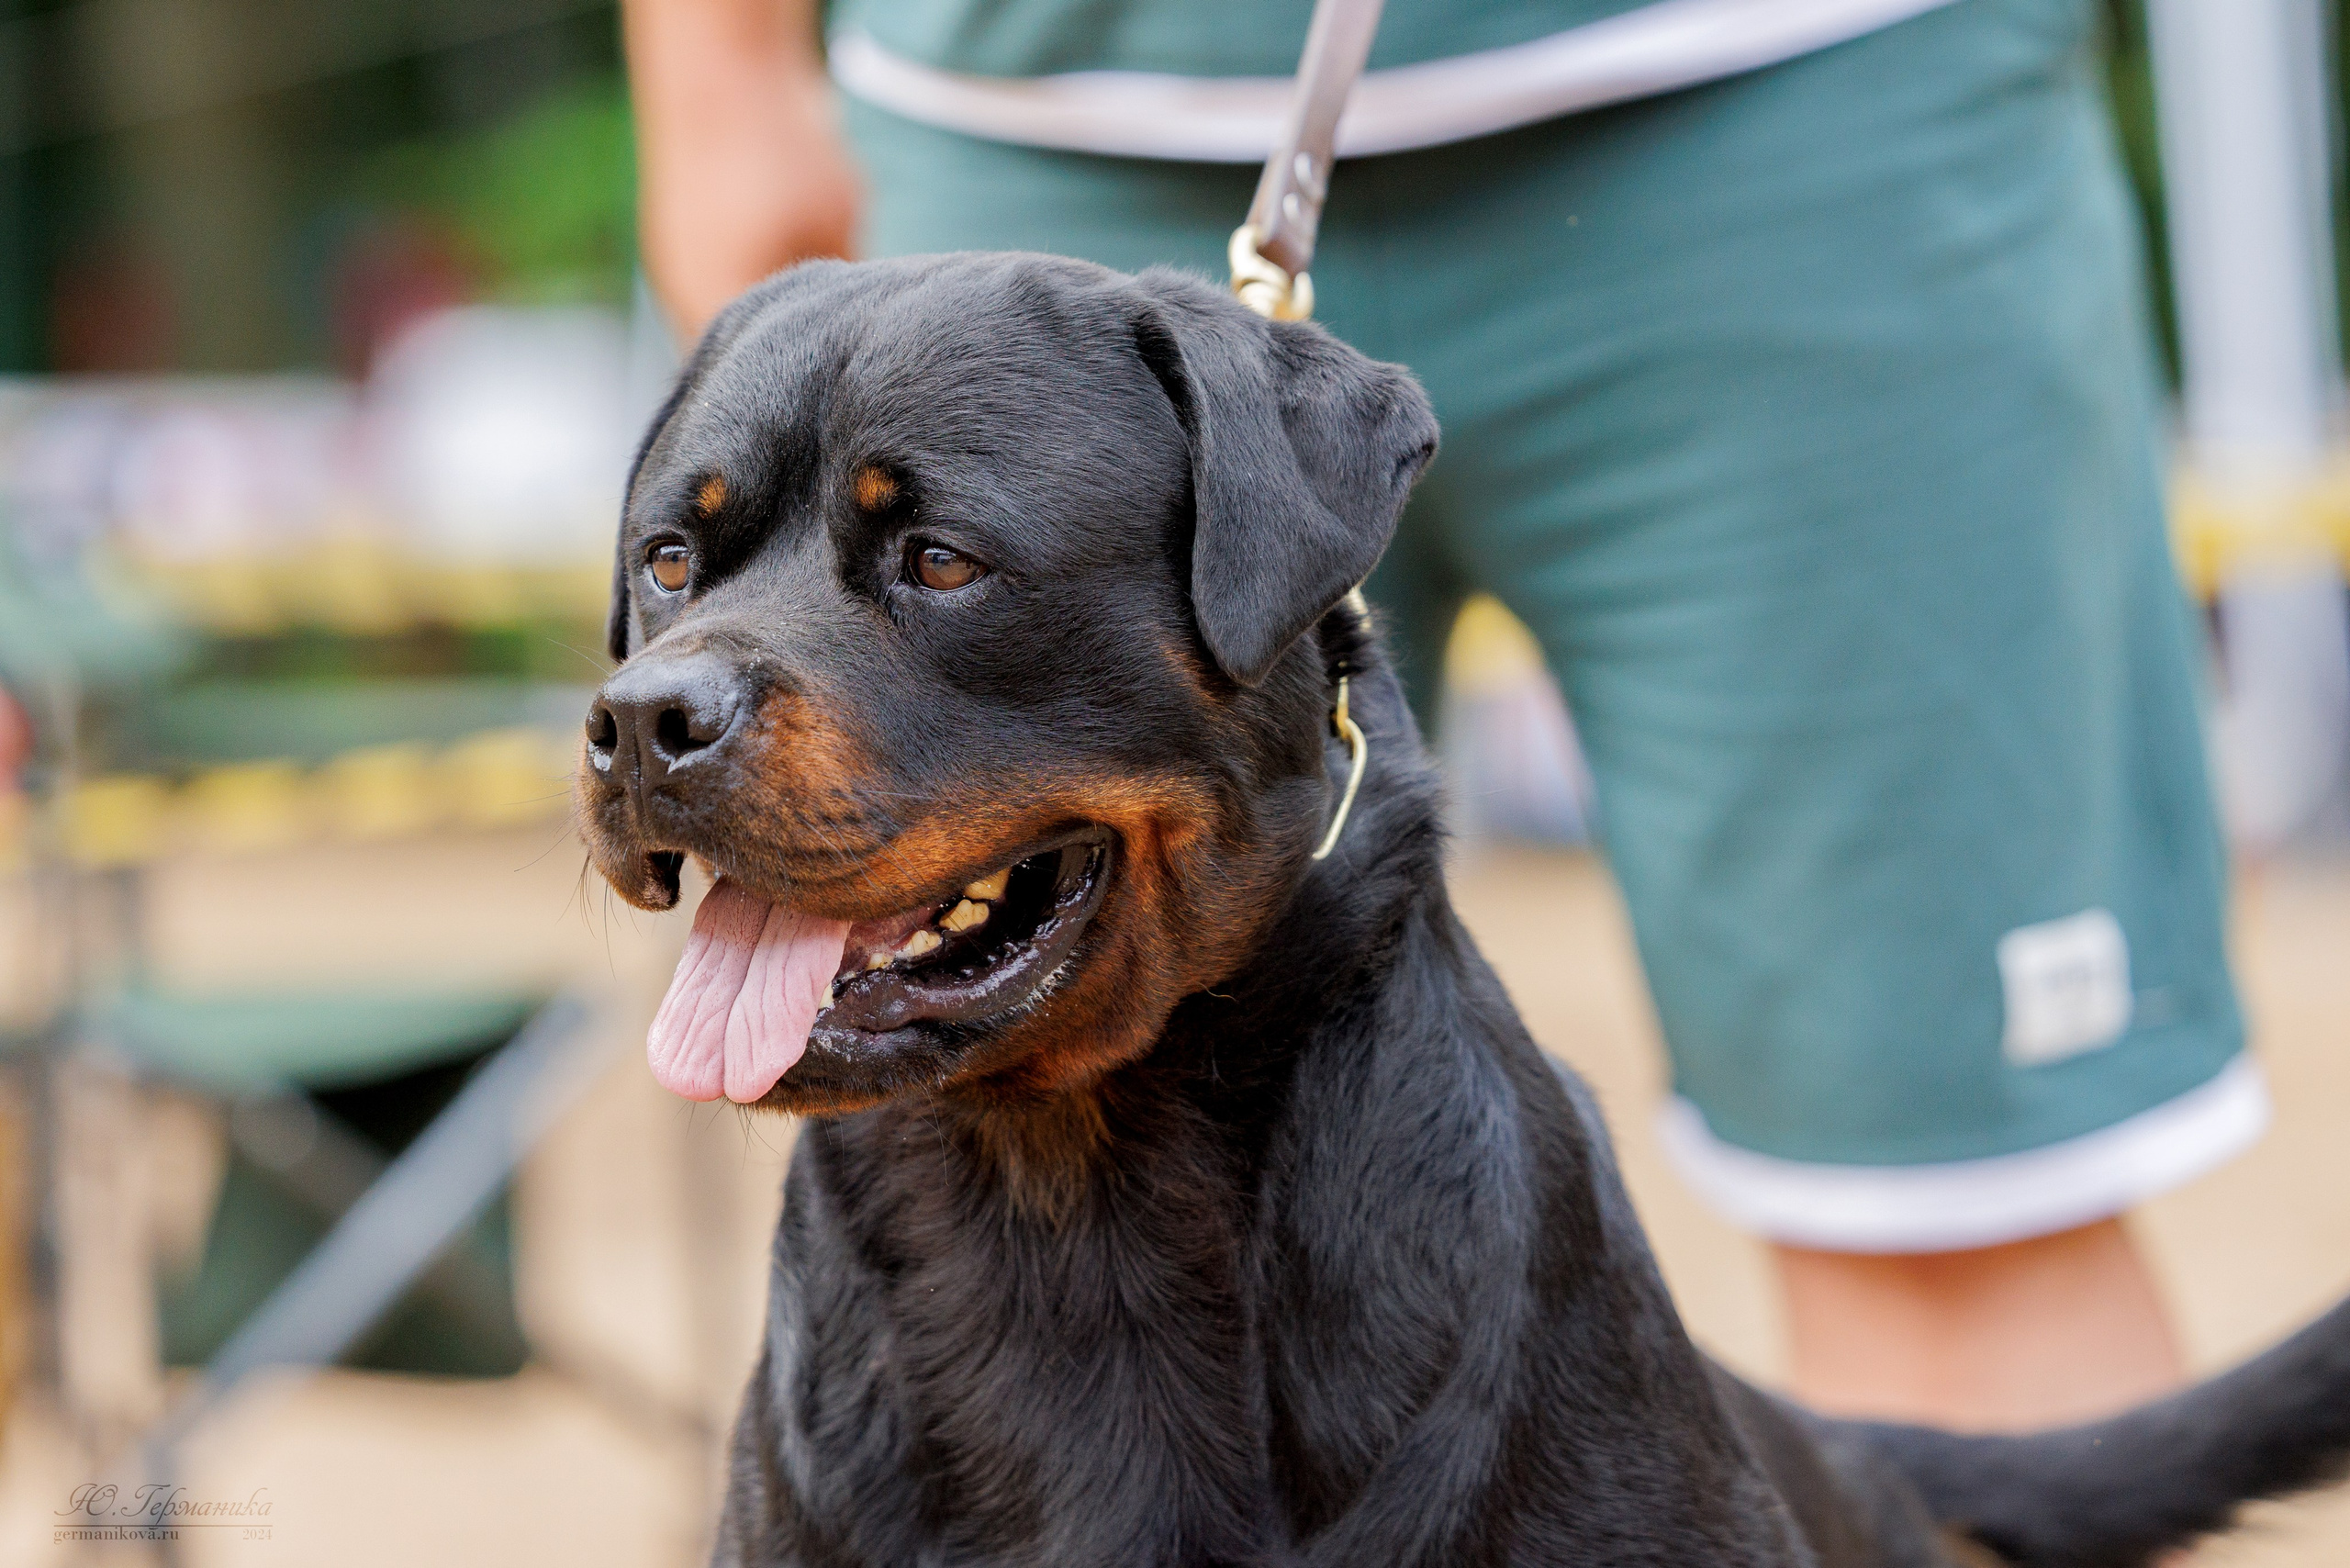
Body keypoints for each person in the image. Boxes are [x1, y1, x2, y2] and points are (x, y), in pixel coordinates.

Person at [621, 0, 2263, 1431]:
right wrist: (715, 74)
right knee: (949, 1233)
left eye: (932, 559)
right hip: (1029, 99)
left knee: (1955, 1206)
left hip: (1778, 102)